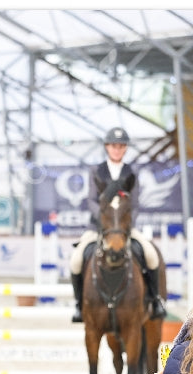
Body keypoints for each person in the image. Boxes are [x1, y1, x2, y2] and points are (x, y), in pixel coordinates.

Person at [69, 127, 166, 323]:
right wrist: (107, 222)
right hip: (98, 228)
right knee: (76, 260)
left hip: (124, 229)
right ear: (107, 147)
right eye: (114, 146)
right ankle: (80, 305)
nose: (117, 149)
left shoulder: (132, 172)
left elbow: (135, 204)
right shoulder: (97, 171)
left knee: (151, 255)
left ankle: (155, 301)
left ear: (125, 149)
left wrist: (123, 225)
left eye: (121, 146)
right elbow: (91, 201)